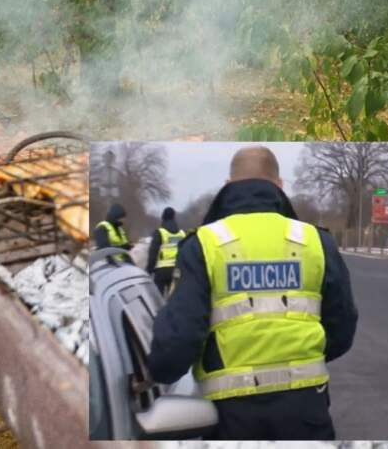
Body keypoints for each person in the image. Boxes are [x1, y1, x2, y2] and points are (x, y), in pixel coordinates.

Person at [147, 146, 358, 440]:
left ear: (228, 185)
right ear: (280, 186)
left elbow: (178, 341)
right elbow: (343, 327)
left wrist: (154, 374)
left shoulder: (204, 244)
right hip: (306, 413)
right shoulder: (315, 241)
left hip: (230, 418)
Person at [145, 207, 186, 296]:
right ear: (174, 218)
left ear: (163, 218)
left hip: (161, 271)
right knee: (175, 298)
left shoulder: (160, 233)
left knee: (158, 299)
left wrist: (149, 270)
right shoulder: (182, 234)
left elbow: (153, 253)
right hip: (177, 270)